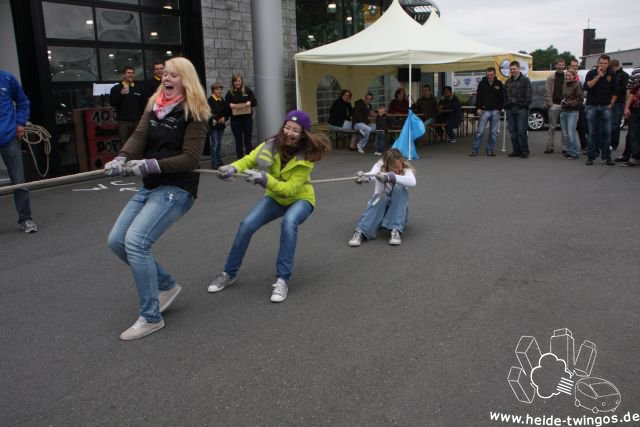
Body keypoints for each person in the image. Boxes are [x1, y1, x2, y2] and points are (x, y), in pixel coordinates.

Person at [105, 57, 210, 341]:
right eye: (165, 73)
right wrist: (122, 157)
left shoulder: (195, 112)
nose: (166, 77)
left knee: (136, 242)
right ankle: (166, 285)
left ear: (185, 79)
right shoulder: (154, 105)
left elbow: (190, 158)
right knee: (116, 241)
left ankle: (151, 317)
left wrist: (151, 165)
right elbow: (139, 136)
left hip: (177, 188)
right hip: (151, 186)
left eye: (174, 74)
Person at [208, 110, 330, 303]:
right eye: (287, 128)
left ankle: (282, 280)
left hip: (300, 199)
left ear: (303, 134)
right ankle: (228, 273)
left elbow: (289, 189)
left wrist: (265, 179)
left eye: (295, 130)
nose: (289, 133)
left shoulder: (307, 157)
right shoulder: (270, 145)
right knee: (247, 224)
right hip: (275, 197)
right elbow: (249, 159)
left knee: (289, 224)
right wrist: (231, 168)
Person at [348, 148, 416, 247]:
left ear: (402, 162)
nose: (397, 170)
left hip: (397, 213)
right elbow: (371, 175)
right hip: (379, 208)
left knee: (400, 188)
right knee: (381, 195)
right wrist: (363, 177)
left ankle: (395, 229)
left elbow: (412, 182)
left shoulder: (406, 170)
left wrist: (390, 176)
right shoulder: (379, 166)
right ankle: (360, 232)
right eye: (394, 168)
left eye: (399, 166)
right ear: (387, 165)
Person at [0, 69, 38, 233]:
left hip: (9, 137)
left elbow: (23, 102)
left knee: (19, 181)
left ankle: (26, 219)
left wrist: (21, 123)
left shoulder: (7, 78)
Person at [583, 54, 618, 166]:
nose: (602, 65)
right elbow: (587, 86)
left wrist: (611, 104)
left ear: (608, 64)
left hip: (605, 107)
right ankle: (591, 156)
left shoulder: (612, 74)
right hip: (592, 106)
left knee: (606, 132)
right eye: (601, 63)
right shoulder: (591, 73)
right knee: (592, 132)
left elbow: (616, 91)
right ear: (598, 63)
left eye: (605, 63)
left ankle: (606, 157)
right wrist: (598, 76)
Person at [470, 67, 504, 156]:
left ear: (495, 74)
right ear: (486, 75)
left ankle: (490, 150)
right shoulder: (481, 84)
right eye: (488, 75)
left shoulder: (499, 84)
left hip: (495, 111)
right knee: (479, 132)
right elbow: (478, 97)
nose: (490, 76)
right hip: (484, 111)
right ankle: (474, 150)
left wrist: (499, 109)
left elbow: (502, 98)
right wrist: (478, 108)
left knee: (493, 133)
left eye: (491, 74)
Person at [109, 66, 146, 148]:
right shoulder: (116, 88)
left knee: (138, 145)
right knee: (125, 145)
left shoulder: (139, 88)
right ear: (124, 75)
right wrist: (120, 95)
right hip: (123, 122)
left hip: (137, 121)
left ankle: (137, 161)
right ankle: (126, 161)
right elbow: (112, 103)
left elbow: (144, 104)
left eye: (132, 73)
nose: (131, 75)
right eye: (128, 73)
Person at [504, 61, 532, 158]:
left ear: (519, 69)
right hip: (510, 109)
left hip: (521, 110)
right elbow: (505, 95)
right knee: (512, 131)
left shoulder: (525, 80)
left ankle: (524, 151)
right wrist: (506, 106)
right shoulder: (508, 81)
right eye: (511, 69)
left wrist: (523, 105)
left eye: (514, 69)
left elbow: (529, 95)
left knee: (521, 131)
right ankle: (516, 150)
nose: (513, 71)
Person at [225, 73, 257, 159]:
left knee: (248, 141)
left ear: (241, 81)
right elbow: (225, 106)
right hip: (235, 121)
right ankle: (240, 160)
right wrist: (229, 105)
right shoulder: (230, 93)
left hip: (247, 120)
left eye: (238, 81)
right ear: (233, 82)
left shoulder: (247, 90)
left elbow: (255, 101)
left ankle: (249, 160)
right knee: (238, 141)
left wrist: (250, 102)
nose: (237, 83)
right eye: (235, 81)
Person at [559, 69, 584, 160]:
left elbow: (580, 100)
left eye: (569, 75)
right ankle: (569, 151)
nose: (568, 77)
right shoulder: (564, 85)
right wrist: (563, 102)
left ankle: (574, 152)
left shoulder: (577, 85)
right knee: (565, 134)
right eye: (566, 75)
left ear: (574, 76)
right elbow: (565, 96)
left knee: (571, 133)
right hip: (564, 111)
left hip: (573, 112)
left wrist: (569, 103)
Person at [543, 58, 566, 154]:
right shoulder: (550, 77)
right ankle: (549, 147)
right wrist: (550, 104)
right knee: (551, 127)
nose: (560, 66)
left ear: (564, 65)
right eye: (559, 65)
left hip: (565, 105)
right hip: (554, 105)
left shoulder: (568, 76)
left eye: (562, 65)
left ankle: (565, 148)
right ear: (556, 65)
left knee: (564, 128)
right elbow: (547, 91)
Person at [620, 67, 640, 167]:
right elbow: (630, 91)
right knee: (634, 133)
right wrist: (627, 107)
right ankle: (635, 157)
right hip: (635, 107)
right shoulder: (636, 72)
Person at [207, 82, 230, 169]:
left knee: (219, 144)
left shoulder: (222, 100)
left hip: (221, 125)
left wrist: (224, 118)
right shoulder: (210, 101)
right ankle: (214, 162)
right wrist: (217, 119)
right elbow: (209, 113)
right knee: (215, 144)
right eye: (217, 89)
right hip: (214, 126)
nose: (219, 91)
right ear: (213, 91)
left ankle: (219, 161)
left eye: (220, 89)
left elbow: (227, 112)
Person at [609, 59, 629, 151]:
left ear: (616, 66)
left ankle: (614, 144)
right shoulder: (610, 74)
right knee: (608, 124)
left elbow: (624, 89)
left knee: (615, 124)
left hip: (619, 102)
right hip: (610, 101)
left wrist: (614, 88)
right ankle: (608, 142)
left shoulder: (624, 75)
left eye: (612, 68)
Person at [569, 59, 588, 151]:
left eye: (576, 66)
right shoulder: (567, 76)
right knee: (569, 128)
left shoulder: (581, 76)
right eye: (572, 65)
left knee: (581, 126)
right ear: (569, 66)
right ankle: (570, 147)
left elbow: (584, 90)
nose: (574, 67)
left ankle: (584, 145)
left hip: (579, 104)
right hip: (569, 105)